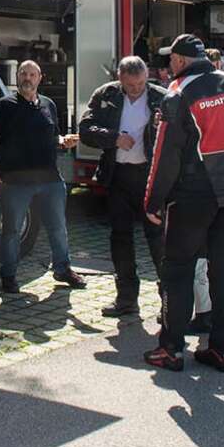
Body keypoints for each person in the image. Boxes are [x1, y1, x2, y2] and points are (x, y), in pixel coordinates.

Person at [142, 34, 224, 374]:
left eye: (170, 59)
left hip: (194, 193)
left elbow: (165, 155)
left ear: (179, 61)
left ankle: (171, 349)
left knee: (177, 268)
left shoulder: (178, 94)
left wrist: (154, 200)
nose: (168, 66)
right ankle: (221, 348)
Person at [78, 56, 166, 317]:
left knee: (158, 240)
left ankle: (169, 300)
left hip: (150, 177)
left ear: (146, 76)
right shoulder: (107, 95)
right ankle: (127, 298)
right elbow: (85, 128)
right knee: (120, 238)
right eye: (130, 85)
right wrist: (113, 138)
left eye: (140, 84)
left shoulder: (161, 97)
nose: (136, 89)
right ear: (120, 79)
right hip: (118, 177)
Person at [0, 61, 85, 295]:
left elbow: (52, 137)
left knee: (58, 227)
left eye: (32, 74)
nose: (27, 78)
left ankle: (62, 269)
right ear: (18, 77)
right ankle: (9, 275)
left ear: (40, 78)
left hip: (49, 178)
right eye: (23, 74)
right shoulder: (4, 106)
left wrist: (63, 141)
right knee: (11, 231)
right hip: (15, 181)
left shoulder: (48, 105)